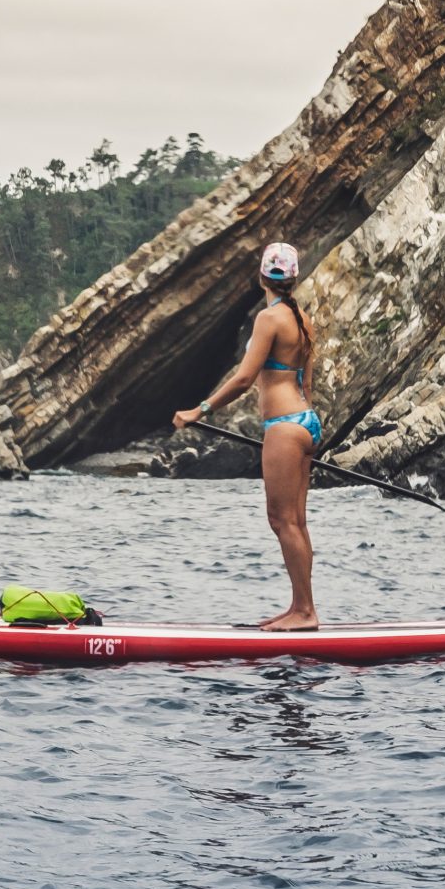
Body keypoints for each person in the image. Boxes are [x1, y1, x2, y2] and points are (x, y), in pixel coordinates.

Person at [173, 242, 322, 631]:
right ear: (295, 278)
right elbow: (307, 382)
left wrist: (198, 411)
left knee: (281, 520)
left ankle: (305, 612)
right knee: (297, 522)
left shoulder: (268, 319)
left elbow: (243, 379)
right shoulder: (303, 318)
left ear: (261, 278)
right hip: (306, 421)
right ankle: (300, 608)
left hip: (284, 426)